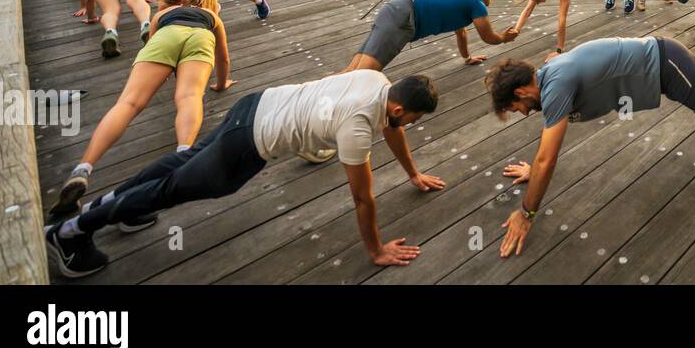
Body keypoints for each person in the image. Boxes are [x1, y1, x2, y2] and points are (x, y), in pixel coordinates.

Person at [44, 71, 443, 277]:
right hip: (247, 144)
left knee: (179, 165)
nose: (410, 122)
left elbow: (394, 130)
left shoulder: (378, 83)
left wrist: (412, 173)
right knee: (174, 188)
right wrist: (375, 250)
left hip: (255, 104)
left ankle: (123, 208)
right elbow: (362, 198)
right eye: (413, 117)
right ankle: (70, 233)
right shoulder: (357, 125)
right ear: (397, 109)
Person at [486, 38, 695, 256]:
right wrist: (536, 170)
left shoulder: (554, 86)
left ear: (520, 93)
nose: (519, 113)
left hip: (664, 66)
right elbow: (545, 153)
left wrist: (526, 213)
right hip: (664, 60)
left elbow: (548, 157)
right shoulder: (549, 74)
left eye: (513, 108)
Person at [47, 0, 233, 221]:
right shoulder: (212, 17)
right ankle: (183, 154)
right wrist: (221, 83)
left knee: (129, 103)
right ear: (210, 5)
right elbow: (224, 58)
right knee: (189, 96)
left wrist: (163, 68)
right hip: (200, 38)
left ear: (186, 1)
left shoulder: (164, 13)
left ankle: (82, 169)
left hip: (165, 36)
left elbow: (152, 44)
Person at [344, 0, 518, 71]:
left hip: (395, 9)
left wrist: (467, 58)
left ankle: (318, 92)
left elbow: (461, 33)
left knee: (351, 72)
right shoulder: (476, 1)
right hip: (403, 17)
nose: (489, 3)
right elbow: (488, 37)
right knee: (363, 75)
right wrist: (504, 37)